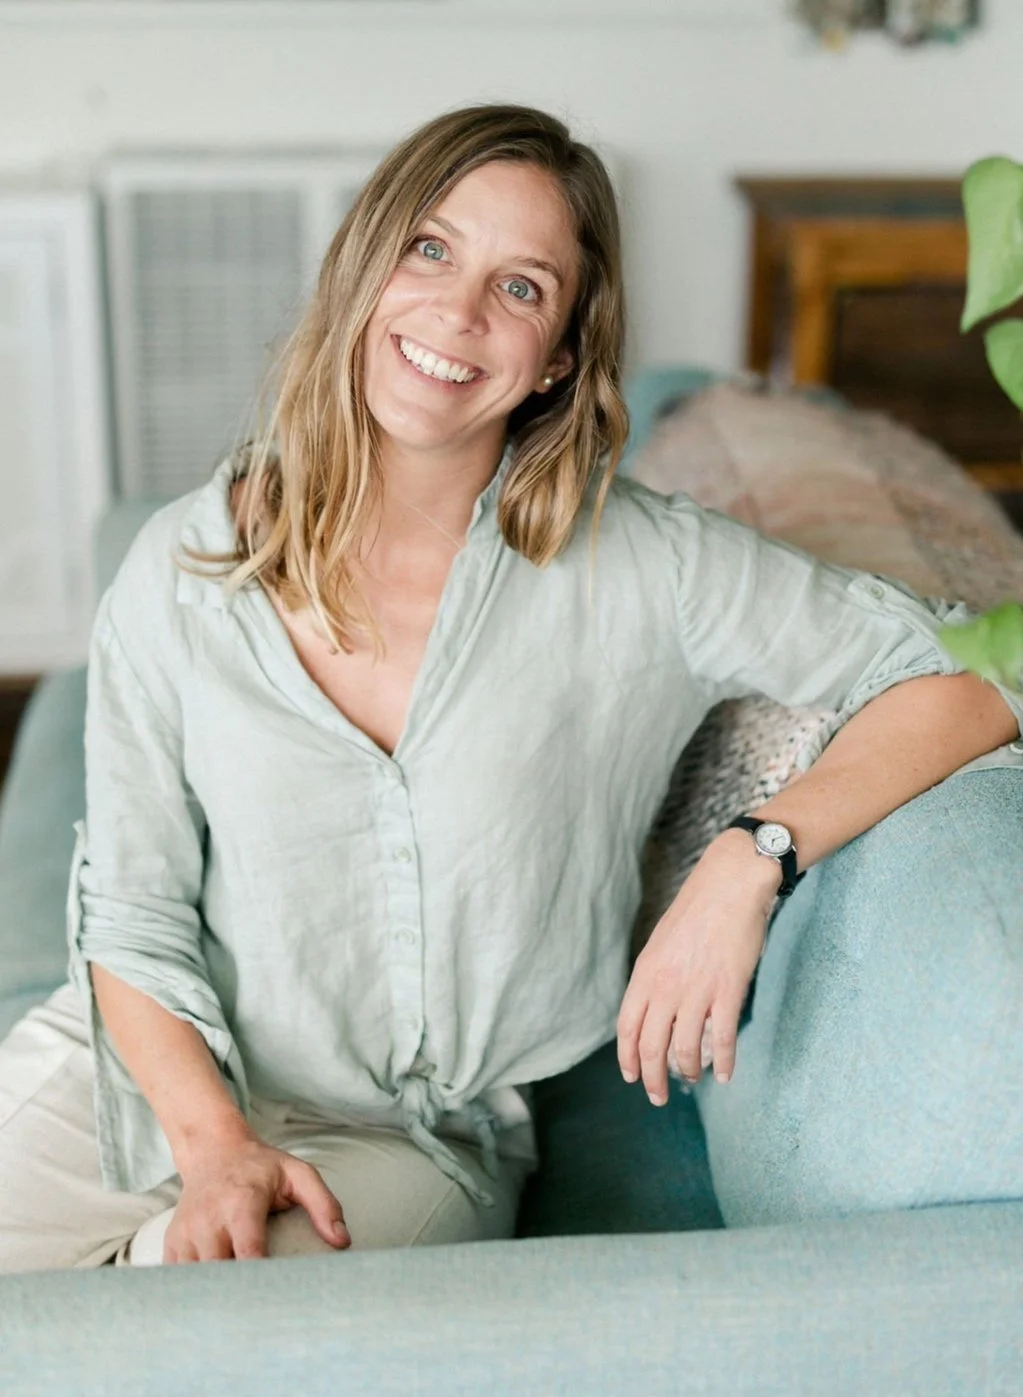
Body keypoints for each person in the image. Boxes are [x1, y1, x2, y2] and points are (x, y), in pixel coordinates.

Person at [0, 103, 1020, 1273]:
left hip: (406, 1137)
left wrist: (757, 850)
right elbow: (130, 914)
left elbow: (982, 667)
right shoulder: (179, 572)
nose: (460, 312)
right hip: (133, 1076)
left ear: (564, 354)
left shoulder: (645, 567)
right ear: (364, 265)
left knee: (182, 1339)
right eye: (430, 249)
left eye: (524, 287)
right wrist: (214, 1143)